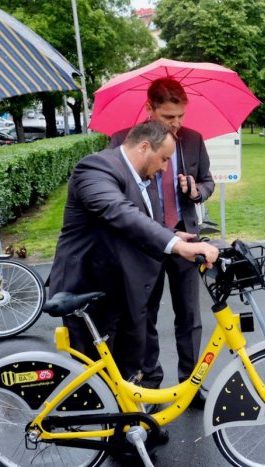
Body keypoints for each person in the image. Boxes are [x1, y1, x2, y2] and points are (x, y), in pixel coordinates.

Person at [49, 120, 219, 389]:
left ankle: (129, 427)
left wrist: (171, 234)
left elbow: (139, 217)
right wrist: (177, 245)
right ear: (143, 147)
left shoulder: (139, 176)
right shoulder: (95, 168)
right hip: (89, 289)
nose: (165, 167)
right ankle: (91, 430)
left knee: (127, 374)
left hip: (121, 288)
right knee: (96, 383)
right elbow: (119, 212)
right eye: (163, 159)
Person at [109, 77, 215, 406]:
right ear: (150, 108)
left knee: (190, 316)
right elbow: (115, 190)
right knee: (144, 316)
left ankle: (190, 382)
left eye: (181, 115)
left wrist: (196, 190)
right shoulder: (124, 140)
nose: (177, 123)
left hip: (185, 235)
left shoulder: (193, 140)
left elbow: (208, 181)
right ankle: (150, 384)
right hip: (145, 242)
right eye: (169, 117)